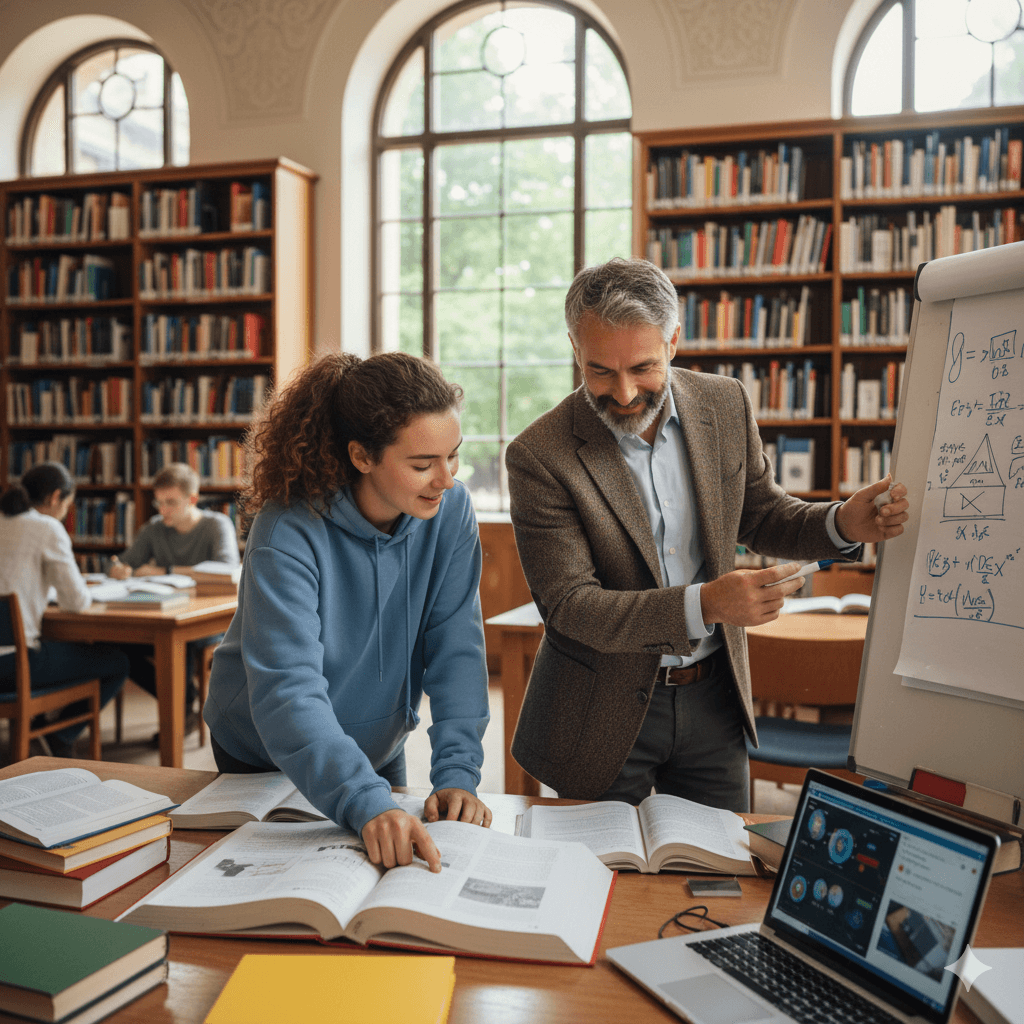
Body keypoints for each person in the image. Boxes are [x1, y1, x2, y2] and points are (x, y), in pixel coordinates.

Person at [505, 257, 910, 812]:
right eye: (600, 371)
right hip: (599, 711)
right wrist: (706, 604)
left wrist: (842, 523)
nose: (623, 393)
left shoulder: (725, 402)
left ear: (674, 341)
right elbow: (571, 607)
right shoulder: (539, 455)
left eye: (642, 368)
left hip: (716, 698)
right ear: (576, 348)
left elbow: (763, 514)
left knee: (723, 879)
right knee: (599, 880)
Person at [204, 352, 492, 873]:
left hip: (375, 743)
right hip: (263, 750)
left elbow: (458, 647)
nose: (445, 479)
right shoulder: (287, 530)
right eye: (422, 464)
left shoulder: (450, 510)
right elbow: (288, 691)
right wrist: (364, 800)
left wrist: (457, 773)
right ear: (362, 457)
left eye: (453, 456)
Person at [0, 462, 129, 757]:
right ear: (56, 497)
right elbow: (77, 602)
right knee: (117, 662)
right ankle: (60, 734)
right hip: (12, 665)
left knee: (58, 646)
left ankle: (44, 724)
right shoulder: (47, 528)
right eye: (68, 505)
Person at [110, 462, 240, 734]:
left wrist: (166, 570)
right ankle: (183, 702)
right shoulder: (155, 528)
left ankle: (180, 715)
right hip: (165, 613)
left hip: (207, 620)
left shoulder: (217, 524)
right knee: (121, 648)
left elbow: (228, 569)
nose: (163, 510)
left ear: (192, 499)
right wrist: (118, 568)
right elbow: (125, 563)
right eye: (159, 503)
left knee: (182, 644)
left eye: (171, 502)